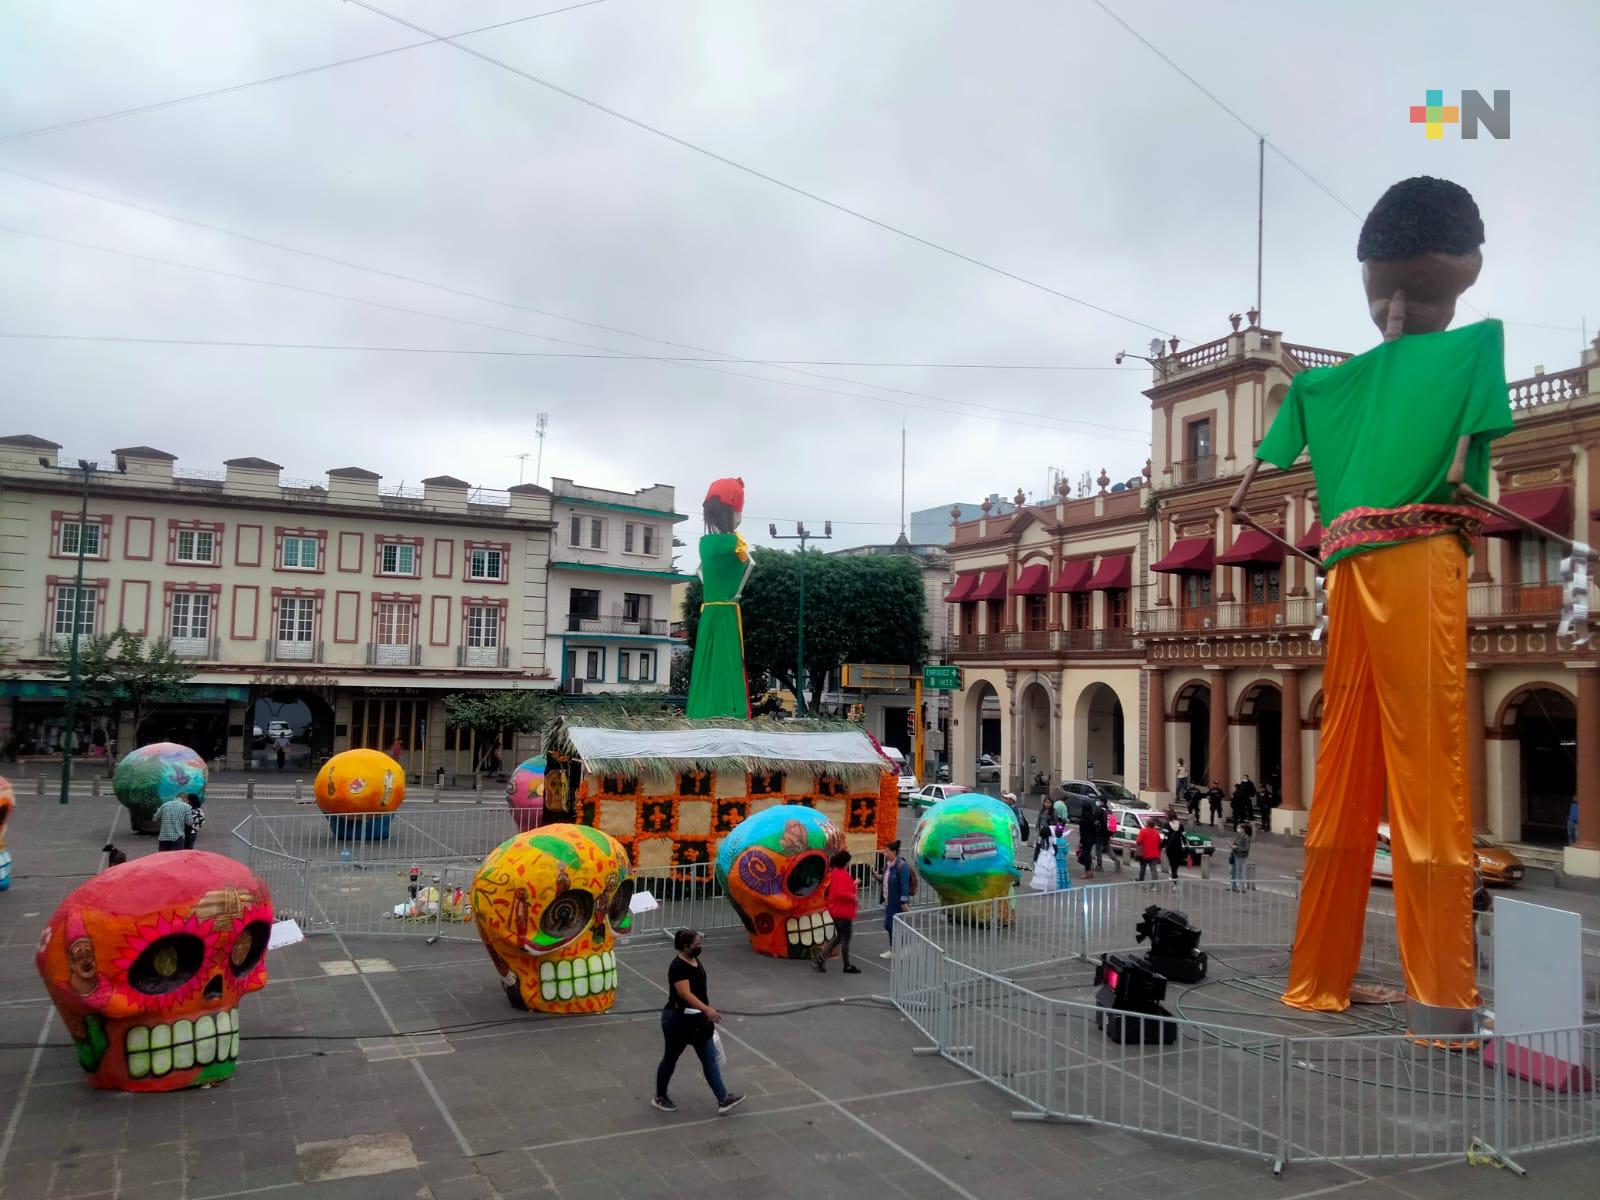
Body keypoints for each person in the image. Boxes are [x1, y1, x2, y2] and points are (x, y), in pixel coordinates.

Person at [685, 478, 755, 719]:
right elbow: (750, 564)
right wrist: (736, 594)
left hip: (711, 608)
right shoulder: (733, 543)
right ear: (733, 509)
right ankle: (729, 709)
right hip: (726, 607)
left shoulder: (705, 544)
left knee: (708, 658)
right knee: (728, 658)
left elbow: (699, 570)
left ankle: (703, 708)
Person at [653, 929, 744, 1114]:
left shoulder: (694, 960)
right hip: (678, 1022)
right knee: (670, 1059)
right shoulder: (678, 967)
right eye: (696, 945)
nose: (699, 947)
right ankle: (660, 1097)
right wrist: (707, 1009)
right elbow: (685, 993)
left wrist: (705, 1010)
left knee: (709, 1059)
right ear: (685, 947)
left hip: (698, 1021)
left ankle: (723, 1098)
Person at [813, 851, 861, 974]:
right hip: (844, 911)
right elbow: (841, 892)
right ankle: (847, 965)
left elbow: (838, 890)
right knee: (845, 939)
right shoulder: (843, 875)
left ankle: (821, 958)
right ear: (845, 862)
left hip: (836, 911)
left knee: (839, 937)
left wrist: (853, 884)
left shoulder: (835, 873)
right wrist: (853, 897)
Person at [879, 840, 914, 960]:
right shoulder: (889, 865)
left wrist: (903, 902)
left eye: (887, 851)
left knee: (893, 925)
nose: (885, 854)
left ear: (894, 852)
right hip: (889, 901)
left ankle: (903, 948)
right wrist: (877, 877)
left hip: (897, 903)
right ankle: (894, 949)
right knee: (890, 925)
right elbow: (886, 879)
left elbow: (904, 885)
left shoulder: (902, 866)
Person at [1135, 817, 1164, 883]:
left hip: (1144, 853)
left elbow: (1138, 841)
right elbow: (1159, 843)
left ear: (1147, 824)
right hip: (1154, 854)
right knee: (1153, 870)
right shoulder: (1156, 832)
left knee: (1143, 868)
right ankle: (1154, 885)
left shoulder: (1143, 831)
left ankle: (1141, 881)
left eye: (1146, 822)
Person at [1076, 802, 1100, 879]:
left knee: (1086, 855)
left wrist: (1081, 842)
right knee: (1088, 854)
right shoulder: (1093, 818)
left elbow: (1083, 833)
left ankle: (1088, 872)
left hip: (1086, 839)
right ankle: (1090, 871)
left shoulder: (1083, 820)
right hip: (1093, 839)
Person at [1229, 822, 1253, 892]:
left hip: (1240, 856)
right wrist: (1232, 847)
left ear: (1244, 829)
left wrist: (1236, 847)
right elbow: (1236, 843)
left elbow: (1245, 848)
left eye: (1240, 828)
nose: (1239, 829)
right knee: (1233, 871)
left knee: (1239, 872)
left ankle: (1241, 888)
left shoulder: (1246, 837)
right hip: (1235, 854)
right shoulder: (1240, 835)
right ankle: (1234, 886)